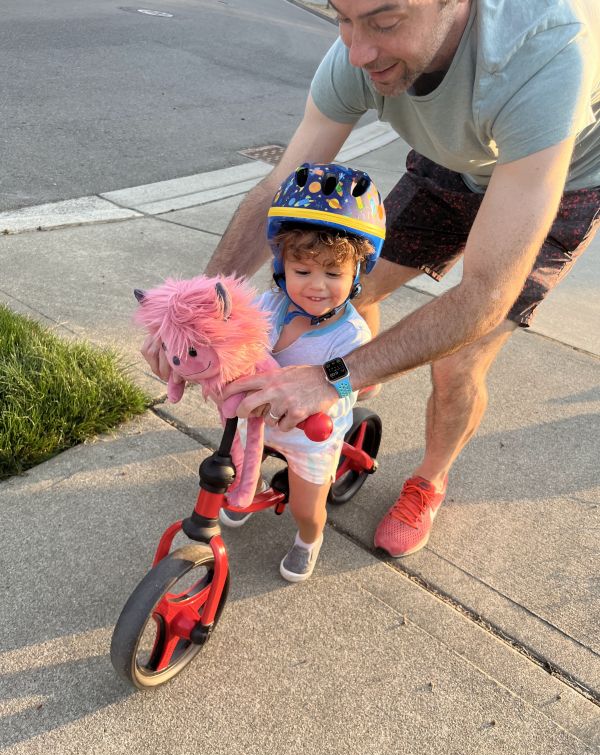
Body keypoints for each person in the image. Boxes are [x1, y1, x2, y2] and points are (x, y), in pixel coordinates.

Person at [143, 0, 600, 558]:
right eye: (342, 16)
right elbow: (279, 186)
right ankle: (360, 381)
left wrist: (330, 377)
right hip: (452, 162)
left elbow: (486, 291)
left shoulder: (546, 50)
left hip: (558, 179)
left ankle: (429, 480)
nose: (357, 51)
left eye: (385, 22)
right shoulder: (358, 54)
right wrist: (190, 310)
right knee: (338, 290)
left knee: (458, 361)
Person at [220, 162, 385, 582]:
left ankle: (309, 539)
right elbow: (238, 335)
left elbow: (348, 383)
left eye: (333, 273)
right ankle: (252, 487)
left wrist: (325, 396)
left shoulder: (350, 334)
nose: (316, 285)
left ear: (356, 274)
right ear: (282, 268)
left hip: (311, 433)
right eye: (302, 271)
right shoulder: (271, 305)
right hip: (259, 418)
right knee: (235, 465)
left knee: (305, 507)